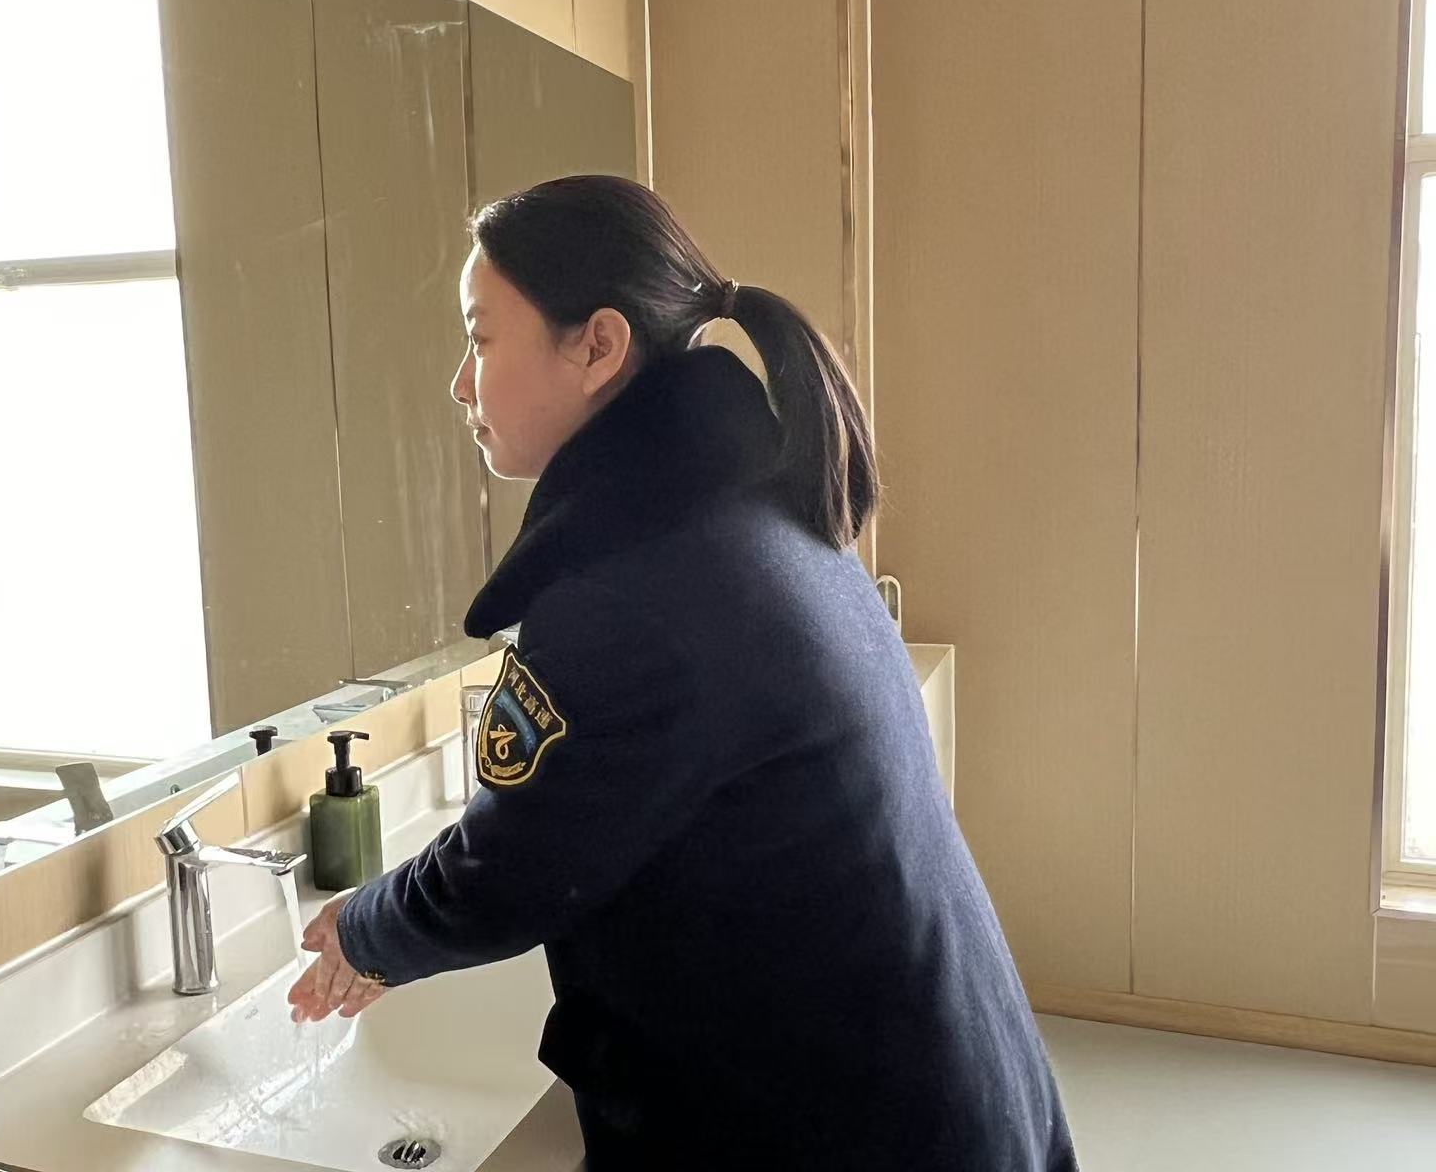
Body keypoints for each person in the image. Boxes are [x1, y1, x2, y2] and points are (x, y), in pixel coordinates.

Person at [285, 175, 1077, 1170]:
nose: (460, 383)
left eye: (480, 339)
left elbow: (515, 870)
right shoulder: (747, 509)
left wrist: (364, 929)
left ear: (598, 346)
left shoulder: (632, 592)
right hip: (937, 1095)